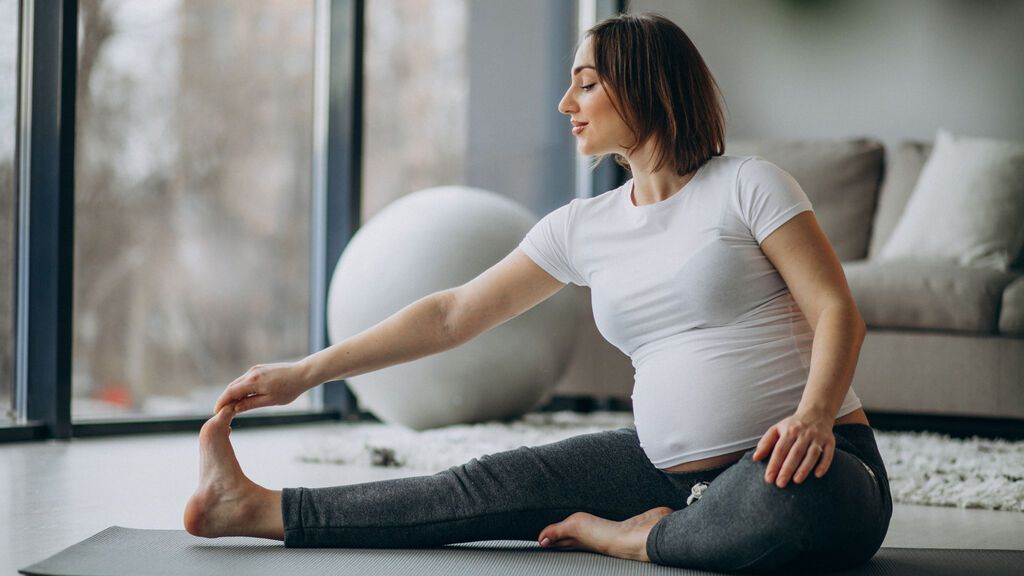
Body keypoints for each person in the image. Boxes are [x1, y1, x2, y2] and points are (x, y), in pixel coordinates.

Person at [183, 12, 892, 573]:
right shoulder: (584, 227)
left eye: (586, 84)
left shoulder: (748, 185)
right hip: (659, 471)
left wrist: (813, 417)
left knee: (793, 501)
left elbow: (837, 312)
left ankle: (636, 540)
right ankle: (255, 508)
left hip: (808, 464)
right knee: (483, 486)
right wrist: (306, 373)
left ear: (643, 85)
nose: (565, 103)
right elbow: (452, 315)